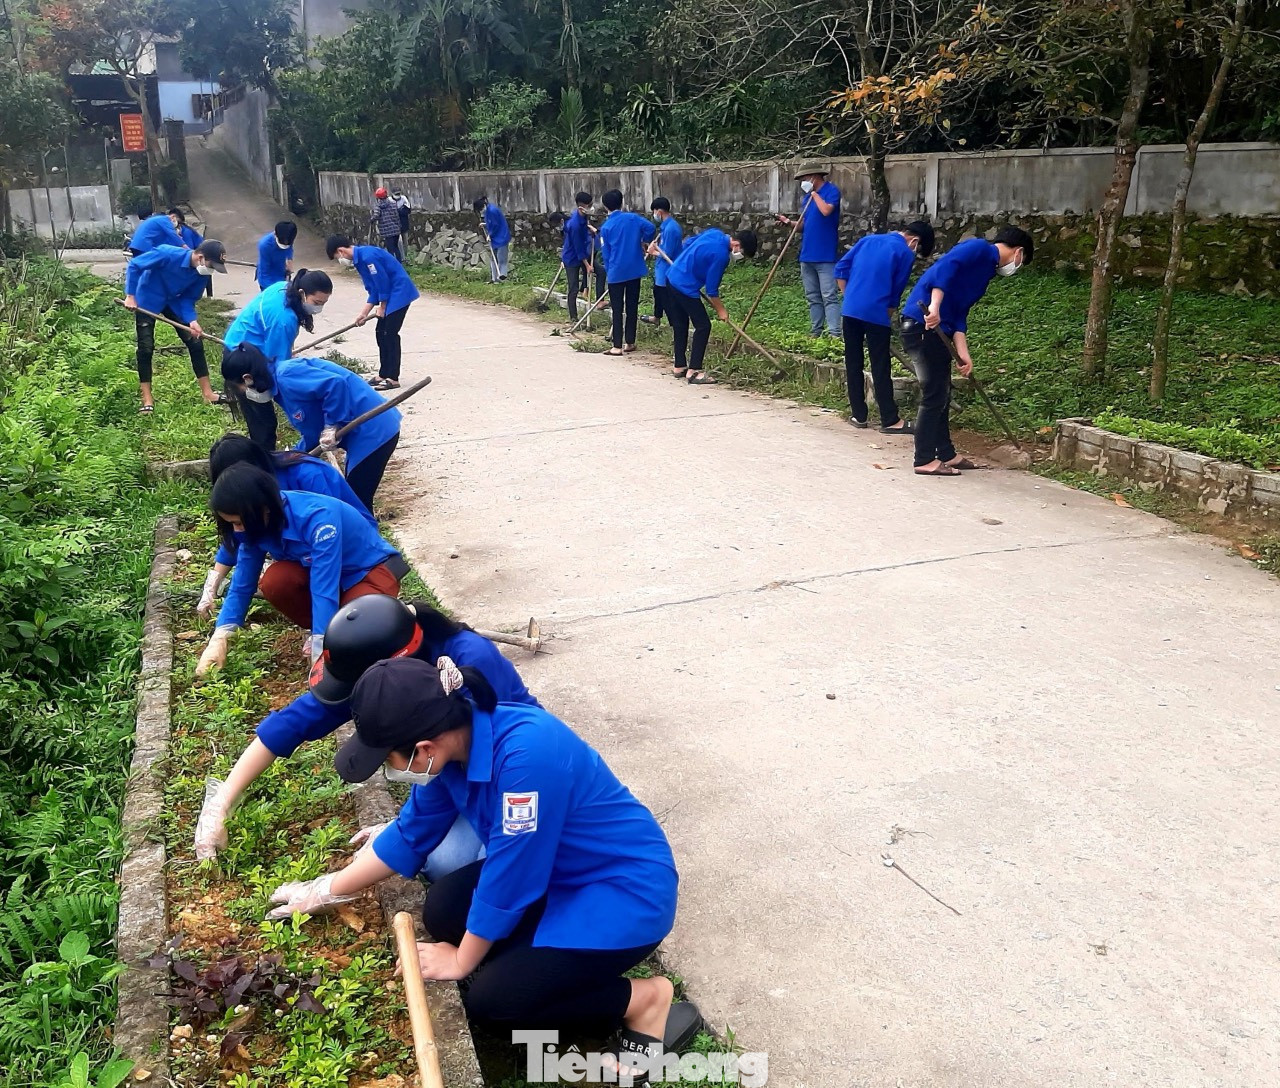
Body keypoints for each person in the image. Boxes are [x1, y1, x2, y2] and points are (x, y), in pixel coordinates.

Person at [266, 656, 703, 1080]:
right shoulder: (458, 746)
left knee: (497, 1002)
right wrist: (323, 890)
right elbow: (411, 833)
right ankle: (537, 965)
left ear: (423, 748)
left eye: (387, 760)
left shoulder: (525, 759)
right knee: (443, 909)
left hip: (621, 891)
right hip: (557, 870)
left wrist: (461, 959)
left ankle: (644, 1000)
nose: (389, 768)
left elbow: (509, 883)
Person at [194, 594, 540, 862]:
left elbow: (467, 761)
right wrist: (221, 803)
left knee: (464, 865)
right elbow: (292, 723)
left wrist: (404, 828)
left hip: (509, 777)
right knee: (430, 859)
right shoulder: (379, 675)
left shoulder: (465, 664)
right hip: (452, 776)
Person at [195, 464, 401, 676]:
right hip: (326, 577)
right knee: (276, 581)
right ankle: (325, 631)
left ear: (263, 508)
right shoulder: (257, 526)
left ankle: (345, 632)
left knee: (357, 632)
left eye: (239, 522)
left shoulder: (319, 519)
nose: (237, 530)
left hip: (367, 572)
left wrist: (322, 651)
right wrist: (220, 637)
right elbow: (241, 585)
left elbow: (324, 586)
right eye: (231, 524)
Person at [194, 434, 378, 624]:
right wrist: (212, 585)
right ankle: (319, 622)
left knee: (357, 620)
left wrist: (323, 636)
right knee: (277, 580)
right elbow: (239, 537)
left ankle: (332, 623)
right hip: (306, 555)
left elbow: (328, 535)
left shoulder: (307, 475)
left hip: (349, 551)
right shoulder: (252, 499)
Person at [900, 226, 1034, 477]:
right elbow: (943, 270)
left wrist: (964, 354)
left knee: (943, 393)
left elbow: (960, 314)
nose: (1017, 266)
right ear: (1019, 252)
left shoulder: (986, 273)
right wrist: (935, 306)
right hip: (922, 324)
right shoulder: (978, 248)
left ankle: (946, 454)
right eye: (1022, 261)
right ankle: (924, 459)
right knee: (935, 394)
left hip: (941, 331)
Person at [221, 343, 402, 510]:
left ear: (247, 378)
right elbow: (311, 430)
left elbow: (335, 384)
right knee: (354, 498)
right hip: (364, 435)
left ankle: (367, 541)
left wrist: (332, 424)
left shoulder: (287, 375)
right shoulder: (279, 390)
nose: (246, 394)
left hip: (373, 429)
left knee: (356, 501)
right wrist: (292, 456)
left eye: (241, 388)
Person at [835, 220, 935, 434]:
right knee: (880, 365)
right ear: (915, 241)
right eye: (918, 249)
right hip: (876, 313)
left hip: (850, 310)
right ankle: (890, 420)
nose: (915, 252)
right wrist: (886, 315)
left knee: (853, 362)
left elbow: (840, 269)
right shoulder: (904, 253)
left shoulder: (868, 239)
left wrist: (851, 298)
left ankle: (858, 415)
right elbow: (895, 293)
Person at [222, 268, 333, 450]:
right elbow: (277, 367)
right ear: (302, 293)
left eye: (324, 302)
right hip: (244, 361)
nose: (319, 307)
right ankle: (265, 466)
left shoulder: (283, 287)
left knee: (259, 418)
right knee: (263, 424)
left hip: (240, 343)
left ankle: (263, 459)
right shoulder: (284, 320)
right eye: (317, 302)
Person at [123, 239, 229, 413]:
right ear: (200, 257)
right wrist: (130, 296)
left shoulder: (202, 273)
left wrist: (192, 320)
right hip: (147, 299)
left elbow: (188, 299)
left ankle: (208, 393)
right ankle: (147, 400)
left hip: (173, 302)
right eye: (212, 265)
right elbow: (135, 265)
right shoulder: (166, 253)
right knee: (146, 348)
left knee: (195, 341)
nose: (212, 270)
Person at [662, 228, 758, 385]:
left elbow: (688, 244)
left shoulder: (714, 233)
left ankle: (679, 366)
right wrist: (721, 311)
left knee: (681, 324)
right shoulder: (721, 256)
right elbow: (712, 289)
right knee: (703, 326)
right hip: (684, 287)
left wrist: (687, 265)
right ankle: (694, 371)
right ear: (736, 244)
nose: (740, 255)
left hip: (672, 277)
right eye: (742, 252)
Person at [325, 233, 420, 391]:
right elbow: (373, 289)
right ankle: (383, 373)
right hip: (389, 296)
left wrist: (382, 307)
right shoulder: (360, 261)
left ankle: (393, 377)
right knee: (380, 332)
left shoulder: (368, 257)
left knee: (389, 334)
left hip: (399, 293)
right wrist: (363, 313)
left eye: (336, 256)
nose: (339, 260)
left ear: (341, 251)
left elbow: (383, 283)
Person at [777, 164, 842, 338]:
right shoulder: (807, 199)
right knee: (813, 296)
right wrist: (789, 223)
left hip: (825, 255)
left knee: (829, 296)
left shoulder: (831, 191)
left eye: (805, 179)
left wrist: (814, 194)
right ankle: (816, 332)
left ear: (814, 176)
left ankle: (835, 334)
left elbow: (827, 210)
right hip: (807, 254)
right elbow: (805, 225)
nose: (803, 183)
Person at [597, 189, 657, 357]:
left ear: (605, 206)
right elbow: (651, 228)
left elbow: (606, 254)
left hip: (616, 271)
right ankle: (629, 341)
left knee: (617, 308)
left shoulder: (606, 227)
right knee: (632, 306)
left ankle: (617, 346)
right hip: (634, 268)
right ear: (621, 202)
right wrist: (643, 240)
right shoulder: (632, 218)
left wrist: (609, 270)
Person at [641, 197, 682, 328]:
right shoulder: (666, 227)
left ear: (659, 211)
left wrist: (653, 252)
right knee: (657, 293)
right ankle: (656, 317)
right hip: (661, 270)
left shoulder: (671, 229)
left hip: (667, 271)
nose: (654, 215)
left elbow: (667, 254)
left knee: (666, 300)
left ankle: (675, 326)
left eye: (654, 211)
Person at [560, 192, 594, 323]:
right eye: (589, 205)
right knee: (573, 287)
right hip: (572, 257)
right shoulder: (574, 224)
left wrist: (588, 229)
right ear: (581, 207)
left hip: (582, 253)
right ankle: (573, 317)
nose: (591, 207)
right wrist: (587, 265)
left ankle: (599, 301)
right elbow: (578, 247)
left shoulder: (582, 217)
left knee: (600, 271)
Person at [169, 208, 213, 297]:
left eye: (174, 218)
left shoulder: (187, 231)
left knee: (205, 271)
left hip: (196, 254)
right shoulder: (170, 231)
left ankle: (209, 295)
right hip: (184, 257)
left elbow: (191, 249)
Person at [473, 195, 511, 282]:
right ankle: (494, 279)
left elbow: (495, 225)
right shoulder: (488, 211)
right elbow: (492, 223)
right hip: (495, 238)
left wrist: (490, 235)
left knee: (502, 260)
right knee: (493, 259)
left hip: (502, 237)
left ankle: (502, 278)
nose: (481, 212)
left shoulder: (492, 211)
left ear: (483, 207)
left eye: (480, 210)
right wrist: (485, 224)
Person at [256, 221, 297, 290]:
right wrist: (274, 290)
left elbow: (289, 250)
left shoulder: (289, 235)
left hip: (282, 272)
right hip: (268, 276)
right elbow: (264, 274)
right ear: (275, 234)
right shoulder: (264, 245)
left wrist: (289, 260)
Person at [371, 187, 403, 262]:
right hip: (396, 230)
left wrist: (371, 220)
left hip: (387, 232)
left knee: (390, 249)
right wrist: (399, 226)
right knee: (396, 247)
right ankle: (399, 263)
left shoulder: (378, 206)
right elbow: (396, 216)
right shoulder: (393, 203)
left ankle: (391, 264)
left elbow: (376, 215)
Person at [393, 188, 413, 261]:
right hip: (395, 226)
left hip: (404, 224)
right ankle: (400, 258)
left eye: (399, 194)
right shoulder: (390, 200)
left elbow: (408, 210)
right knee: (398, 242)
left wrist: (399, 211)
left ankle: (405, 257)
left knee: (405, 242)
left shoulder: (404, 199)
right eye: (396, 194)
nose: (398, 195)